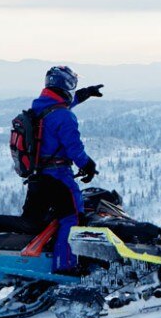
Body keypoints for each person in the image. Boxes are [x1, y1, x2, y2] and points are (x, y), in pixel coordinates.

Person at [20, 65, 103, 273]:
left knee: (35, 223)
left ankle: (36, 263)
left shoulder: (40, 107)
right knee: (72, 217)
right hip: (59, 176)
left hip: (38, 178)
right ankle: (65, 265)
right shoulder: (64, 116)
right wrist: (88, 166)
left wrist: (83, 95)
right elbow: (74, 149)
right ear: (66, 84)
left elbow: (58, 109)